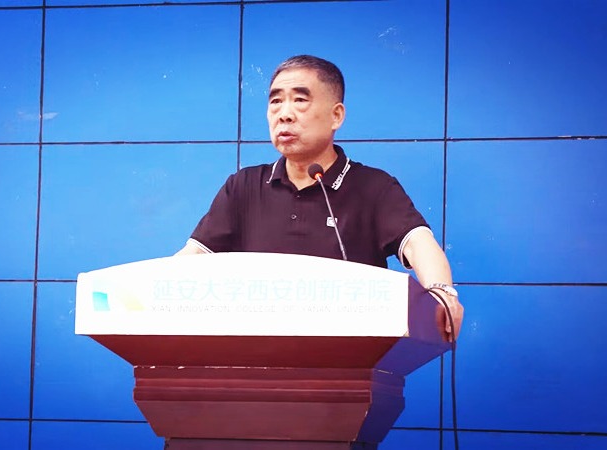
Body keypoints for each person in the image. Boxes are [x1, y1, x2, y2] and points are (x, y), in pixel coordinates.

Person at [176, 55, 463, 342]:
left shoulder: (374, 187)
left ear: (336, 115)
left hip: (348, 354)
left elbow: (417, 243)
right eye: (276, 101)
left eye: (300, 100)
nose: (284, 114)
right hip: (255, 351)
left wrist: (442, 291)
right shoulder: (244, 185)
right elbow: (195, 256)